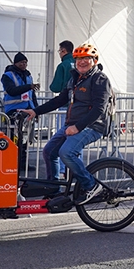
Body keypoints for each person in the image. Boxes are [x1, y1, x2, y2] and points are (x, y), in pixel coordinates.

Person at [23, 43, 111, 205]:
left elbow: (99, 108)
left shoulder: (100, 79)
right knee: (49, 151)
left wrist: (77, 127)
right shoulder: (75, 79)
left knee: (66, 152)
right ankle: (53, 189)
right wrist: (36, 111)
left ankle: (91, 186)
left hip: (93, 126)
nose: (82, 62)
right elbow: (60, 100)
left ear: (94, 60)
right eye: (78, 59)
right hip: (72, 125)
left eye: (86, 58)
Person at [1, 52, 39, 166]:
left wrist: (37, 110)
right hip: (13, 110)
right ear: (15, 63)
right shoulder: (8, 76)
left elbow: (32, 95)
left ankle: (23, 163)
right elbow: (12, 91)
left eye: (25, 62)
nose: (24, 64)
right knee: (14, 137)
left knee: (25, 137)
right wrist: (28, 87)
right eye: (21, 62)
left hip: (28, 109)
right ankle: (12, 162)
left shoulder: (28, 75)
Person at [49, 40, 75, 178]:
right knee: (75, 142)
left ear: (64, 51)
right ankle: (74, 171)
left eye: (60, 51)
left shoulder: (63, 65)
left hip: (64, 106)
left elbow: (55, 87)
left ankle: (61, 171)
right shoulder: (79, 63)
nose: (59, 53)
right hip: (78, 108)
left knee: (61, 140)